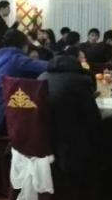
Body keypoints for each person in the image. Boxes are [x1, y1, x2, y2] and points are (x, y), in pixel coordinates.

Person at [38, 43, 104, 181]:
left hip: (43, 136)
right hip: (72, 143)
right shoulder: (81, 80)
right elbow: (93, 117)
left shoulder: (41, 77)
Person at [0, 30, 49, 133]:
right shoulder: (16, 59)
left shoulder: (0, 58)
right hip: (6, 119)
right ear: (24, 45)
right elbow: (46, 66)